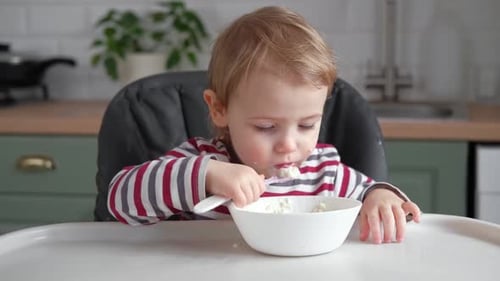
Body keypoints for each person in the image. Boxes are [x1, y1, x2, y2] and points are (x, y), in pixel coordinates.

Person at [107, 6, 421, 244]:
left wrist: (381, 198)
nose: (289, 145)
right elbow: (119, 200)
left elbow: (368, 190)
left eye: (307, 125)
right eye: (266, 127)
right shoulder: (199, 163)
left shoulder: (324, 171)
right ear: (219, 109)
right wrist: (206, 176)